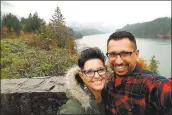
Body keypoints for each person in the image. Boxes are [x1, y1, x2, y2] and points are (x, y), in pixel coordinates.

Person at [104, 31, 172, 115]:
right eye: (113, 54)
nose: (118, 61)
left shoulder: (150, 84)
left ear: (136, 54)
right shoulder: (109, 81)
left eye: (125, 53)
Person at [57, 47, 107, 115]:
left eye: (100, 70)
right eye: (89, 72)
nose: (97, 76)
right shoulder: (74, 109)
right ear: (81, 76)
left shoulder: (109, 94)